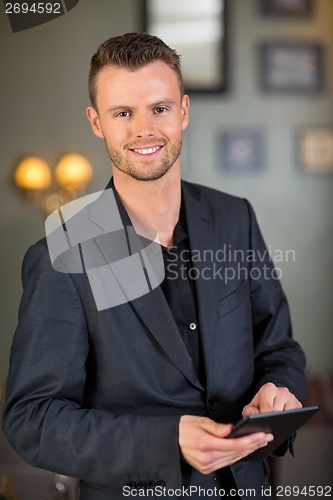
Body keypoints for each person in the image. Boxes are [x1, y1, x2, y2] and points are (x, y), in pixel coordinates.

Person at [2, 32, 306, 499]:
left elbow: (279, 346)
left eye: (159, 109)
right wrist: (165, 442)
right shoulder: (63, 250)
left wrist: (277, 390)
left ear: (183, 111)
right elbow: (33, 419)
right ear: (96, 122)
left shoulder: (233, 217)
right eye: (123, 112)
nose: (144, 129)